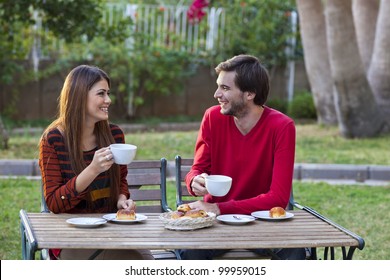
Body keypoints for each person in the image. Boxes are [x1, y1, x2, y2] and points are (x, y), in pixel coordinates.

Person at [179, 54, 306, 260]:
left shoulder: (282, 126)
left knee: (296, 252)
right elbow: (197, 168)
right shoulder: (212, 118)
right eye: (218, 86)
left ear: (250, 94)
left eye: (226, 88)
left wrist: (219, 207)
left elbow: (279, 198)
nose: (216, 94)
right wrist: (194, 181)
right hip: (215, 224)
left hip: (261, 223)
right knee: (189, 251)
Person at [38, 65, 153, 260]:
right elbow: (55, 204)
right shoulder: (53, 140)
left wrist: (121, 200)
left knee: (146, 261)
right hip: (71, 235)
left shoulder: (114, 135)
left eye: (108, 93)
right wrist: (93, 169)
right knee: (136, 261)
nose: (108, 100)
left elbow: (121, 181)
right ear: (80, 96)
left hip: (111, 230)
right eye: (101, 94)